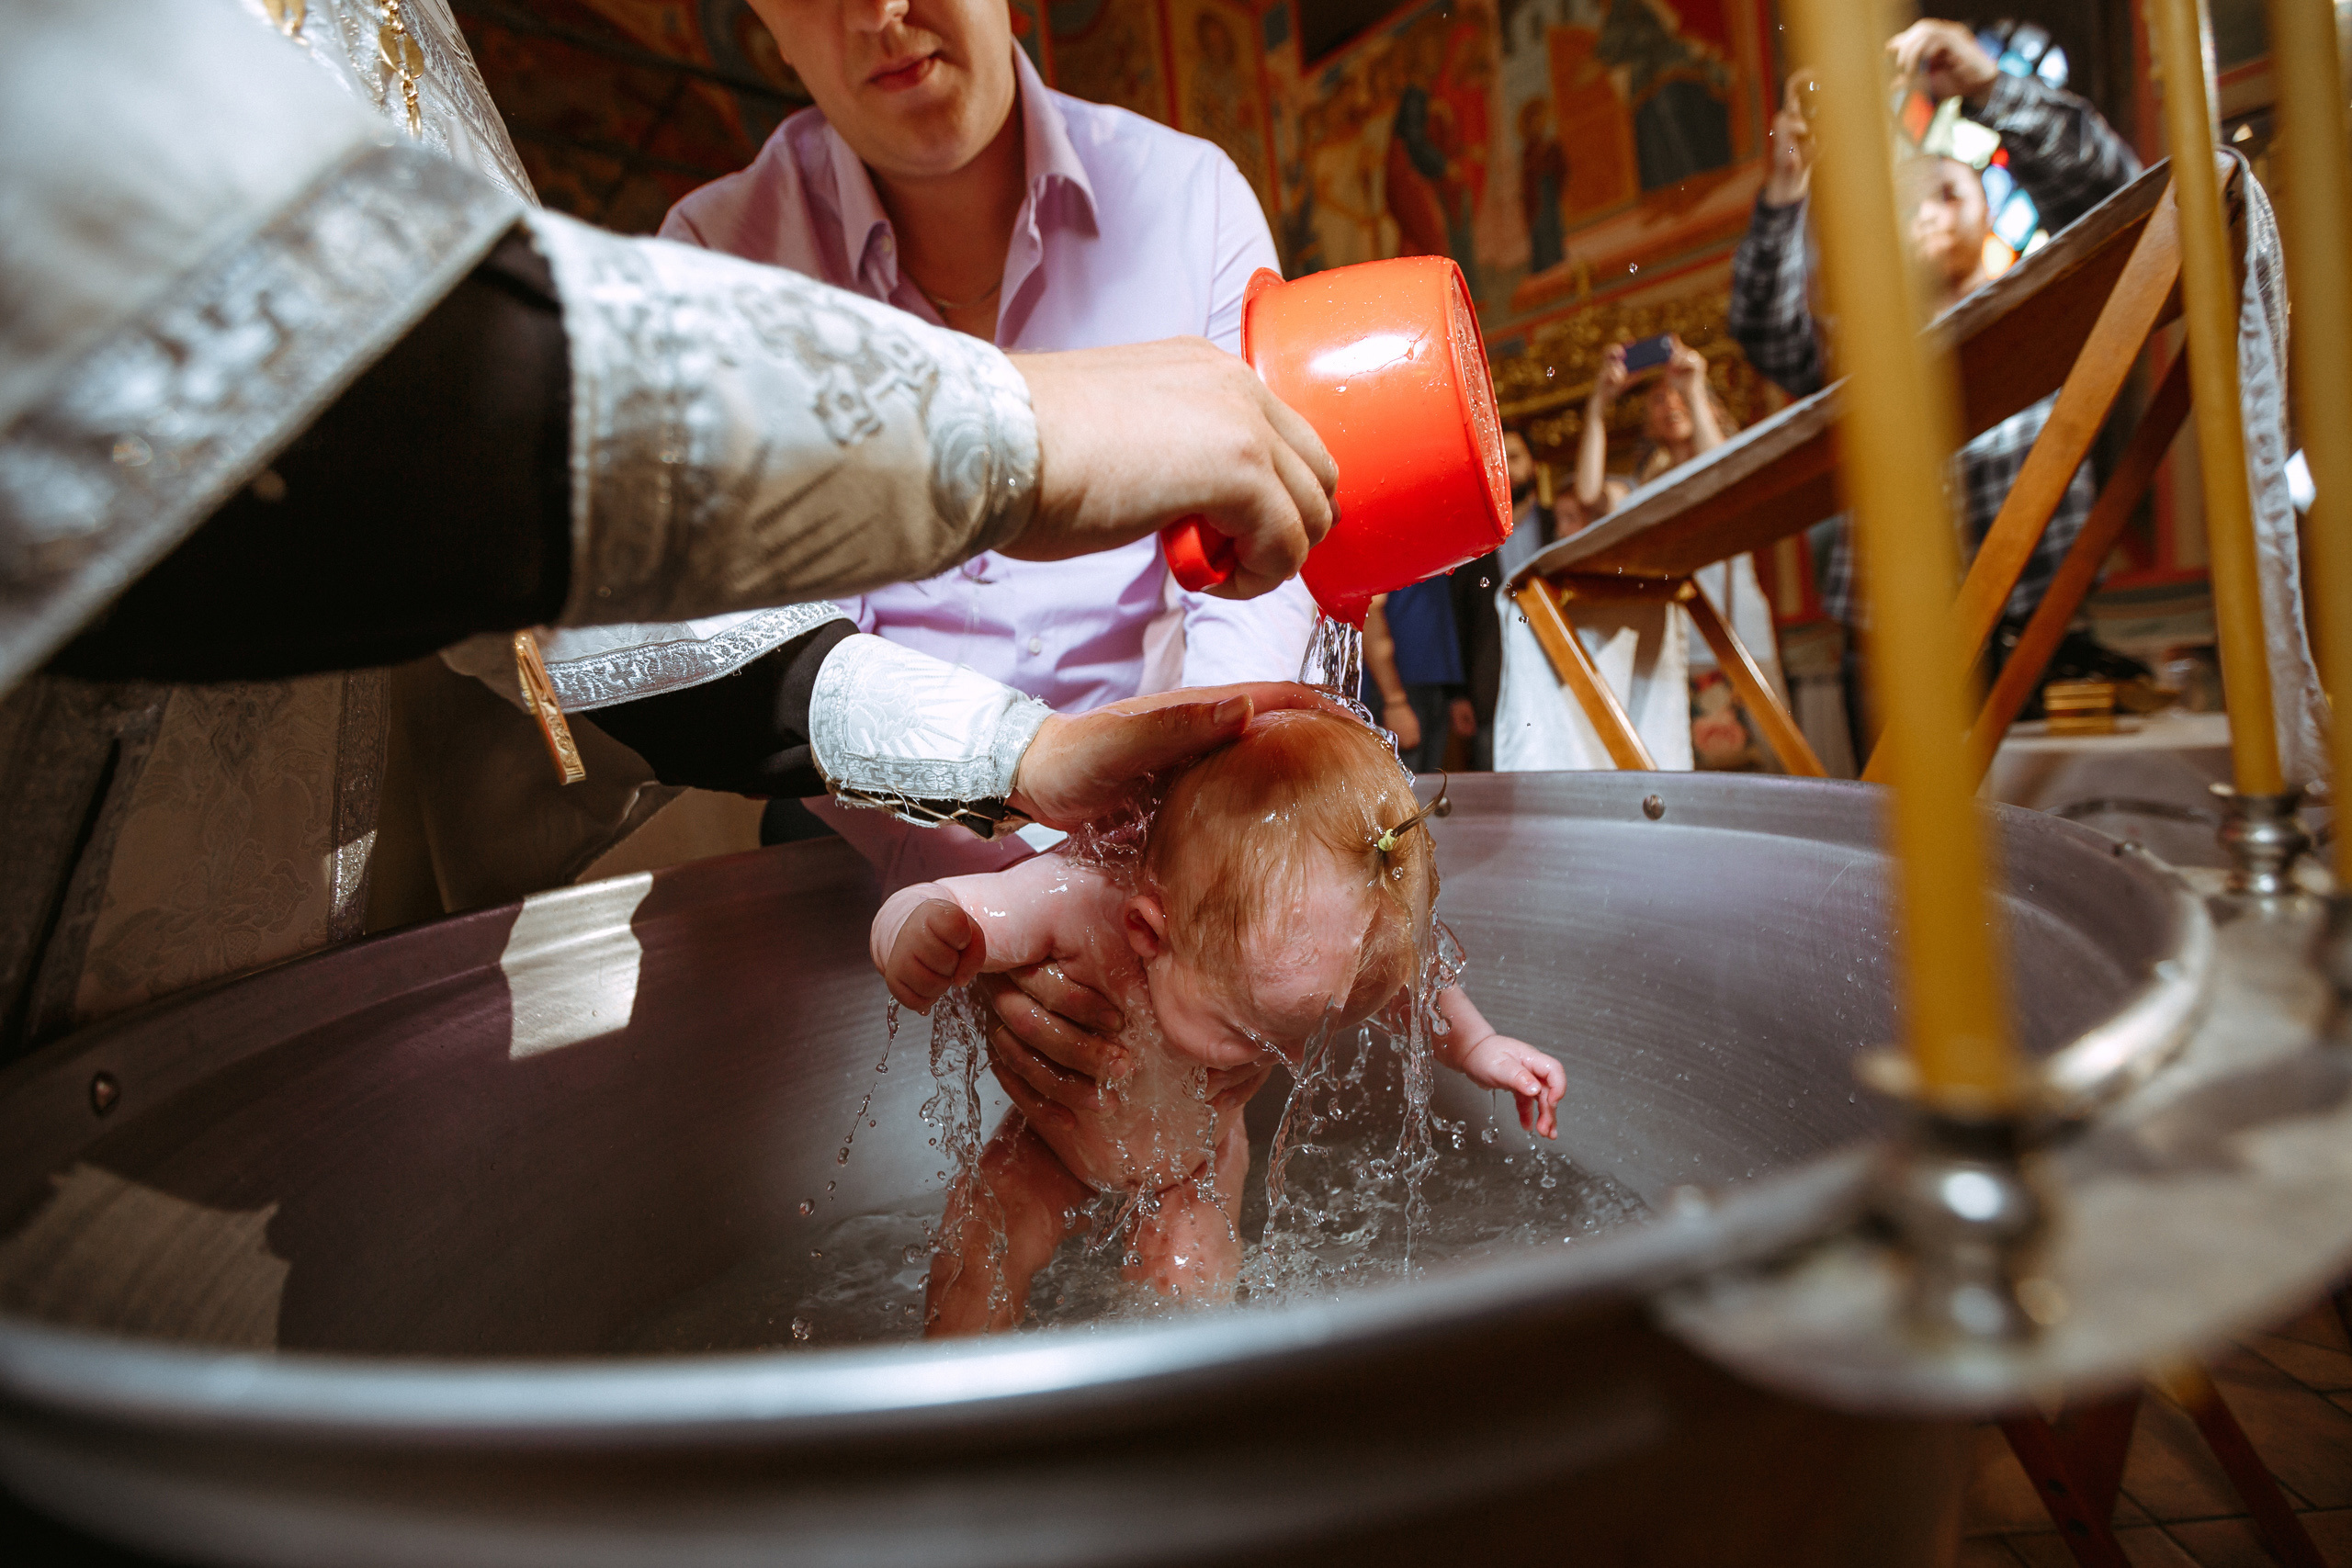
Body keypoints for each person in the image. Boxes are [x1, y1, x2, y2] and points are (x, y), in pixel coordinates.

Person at [0, 0, 1335, 1052]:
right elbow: (371, 414)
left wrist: (1100, 813)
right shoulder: (721, 235)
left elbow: (594, 584)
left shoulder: (1187, 190)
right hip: (883, 866)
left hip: (1165, 853)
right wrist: (1012, 431)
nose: (884, 16)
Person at [621, 0, 1320, 889]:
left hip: (1165, 821)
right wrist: (987, 894)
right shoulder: (712, 265)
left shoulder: (1192, 201)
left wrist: (1185, 834)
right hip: (867, 846)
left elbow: (1255, 585)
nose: (879, 13)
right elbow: (775, 647)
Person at [870, 708, 1566, 1334]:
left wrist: (1477, 1042)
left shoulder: (1291, 958)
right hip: (1051, 1143)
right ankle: (957, 1409)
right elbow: (940, 901)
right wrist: (917, 936)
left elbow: (1405, 981)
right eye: (1251, 1031)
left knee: (1184, 1288)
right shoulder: (1074, 901)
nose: (1285, 1055)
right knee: (980, 1246)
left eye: (1299, 1034)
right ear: (1149, 933)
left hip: (1197, 1162)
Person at [1730, 19, 2139, 750]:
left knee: (2036, 846)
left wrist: (1988, 85)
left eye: (1949, 191)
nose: (1925, 209)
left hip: (2031, 617)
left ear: (1988, 213)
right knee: (1902, 849)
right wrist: (1789, 180)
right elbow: (1762, 328)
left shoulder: (2042, 309)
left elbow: (2121, 200)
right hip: (1888, 641)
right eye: (1910, 198)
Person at [1575, 335, 1727, 513]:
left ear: (1712, 408)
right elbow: (1588, 495)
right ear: (1649, 424)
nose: (1671, 405)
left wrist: (1693, 393)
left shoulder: (1741, 452)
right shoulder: (1649, 486)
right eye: (1659, 399)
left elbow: (1720, 471)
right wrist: (1597, 407)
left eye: (1679, 393)